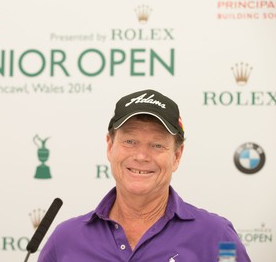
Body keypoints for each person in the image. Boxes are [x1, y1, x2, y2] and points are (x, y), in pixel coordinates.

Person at [38, 89, 251, 262]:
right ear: (110, 146)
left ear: (177, 156)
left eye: (157, 145)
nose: (141, 156)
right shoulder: (65, 239)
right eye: (130, 141)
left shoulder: (217, 237)